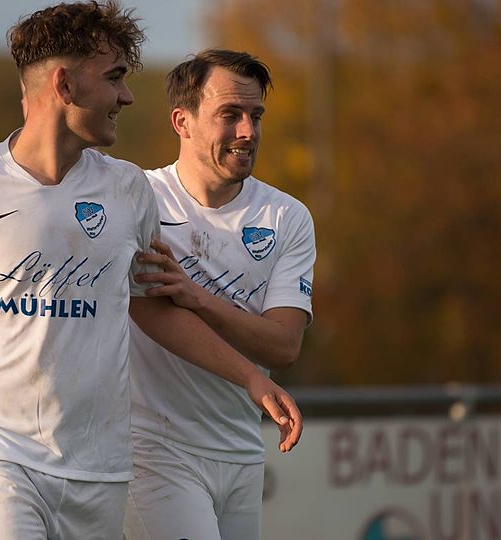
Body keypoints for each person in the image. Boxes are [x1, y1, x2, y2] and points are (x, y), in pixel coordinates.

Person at [0, 3, 302, 540]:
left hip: (101, 471)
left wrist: (250, 377)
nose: (127, 95)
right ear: (65, 85)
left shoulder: (128, 189)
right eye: (114, 77)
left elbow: (151, 309)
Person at [123, 49, 317, 540]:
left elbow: (283, 347)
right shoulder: (139, 199)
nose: (248, 131)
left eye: (256, 116)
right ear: (182, 122)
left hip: (243, 452)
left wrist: (198, 297)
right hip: (152, 451)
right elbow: (146, 311)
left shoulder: (287, 217)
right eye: (230, 115)